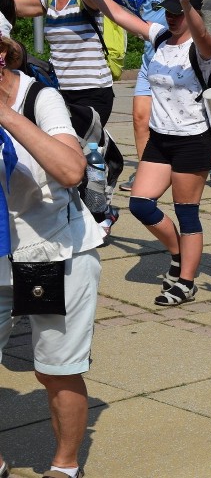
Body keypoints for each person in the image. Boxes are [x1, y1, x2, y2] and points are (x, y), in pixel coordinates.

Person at [74, 0, 211, 305]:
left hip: (192, 140)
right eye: (168, 11)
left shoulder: (201, 49)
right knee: (140, 203)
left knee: (187, 213)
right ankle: (179, 253)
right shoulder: (159, 38)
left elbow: (204, 35)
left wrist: (188, 7)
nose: (171, 17)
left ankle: (186, 282)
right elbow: (114, 10)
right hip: (160, 138)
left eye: (178, 13)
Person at [0, 35, 103, 478]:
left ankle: (64, 466)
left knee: (54, 368)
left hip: (46, 251)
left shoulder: (40, 97)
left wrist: (3, 115)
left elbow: (70, 170)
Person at [13, 0, 118, 234]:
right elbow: (10, 4)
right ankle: (94, 210)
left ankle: (97, 213)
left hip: (95, 91)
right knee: (76, 153)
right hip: (61, 92)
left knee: (82, 154)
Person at [94, 0, 190, 192]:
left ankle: (209, 153)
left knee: (181, 117)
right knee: (139, 118)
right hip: (150, 62)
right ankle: (145, 171)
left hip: (176, 61)